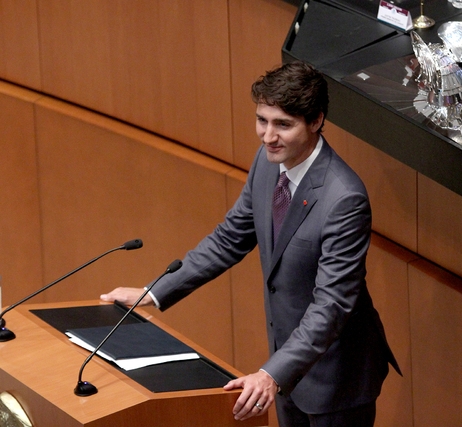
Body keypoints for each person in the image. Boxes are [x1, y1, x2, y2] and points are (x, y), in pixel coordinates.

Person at [100, 61, 401, 427]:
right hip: (285, 371)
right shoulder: (268, 161)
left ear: (316, 121)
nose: (267, 136)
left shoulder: (344, 198)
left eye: (283, 125)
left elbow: (332, 304)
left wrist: (272, 373)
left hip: (336, 378)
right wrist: (153, 292)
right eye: (262, 120)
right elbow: (230, 237)